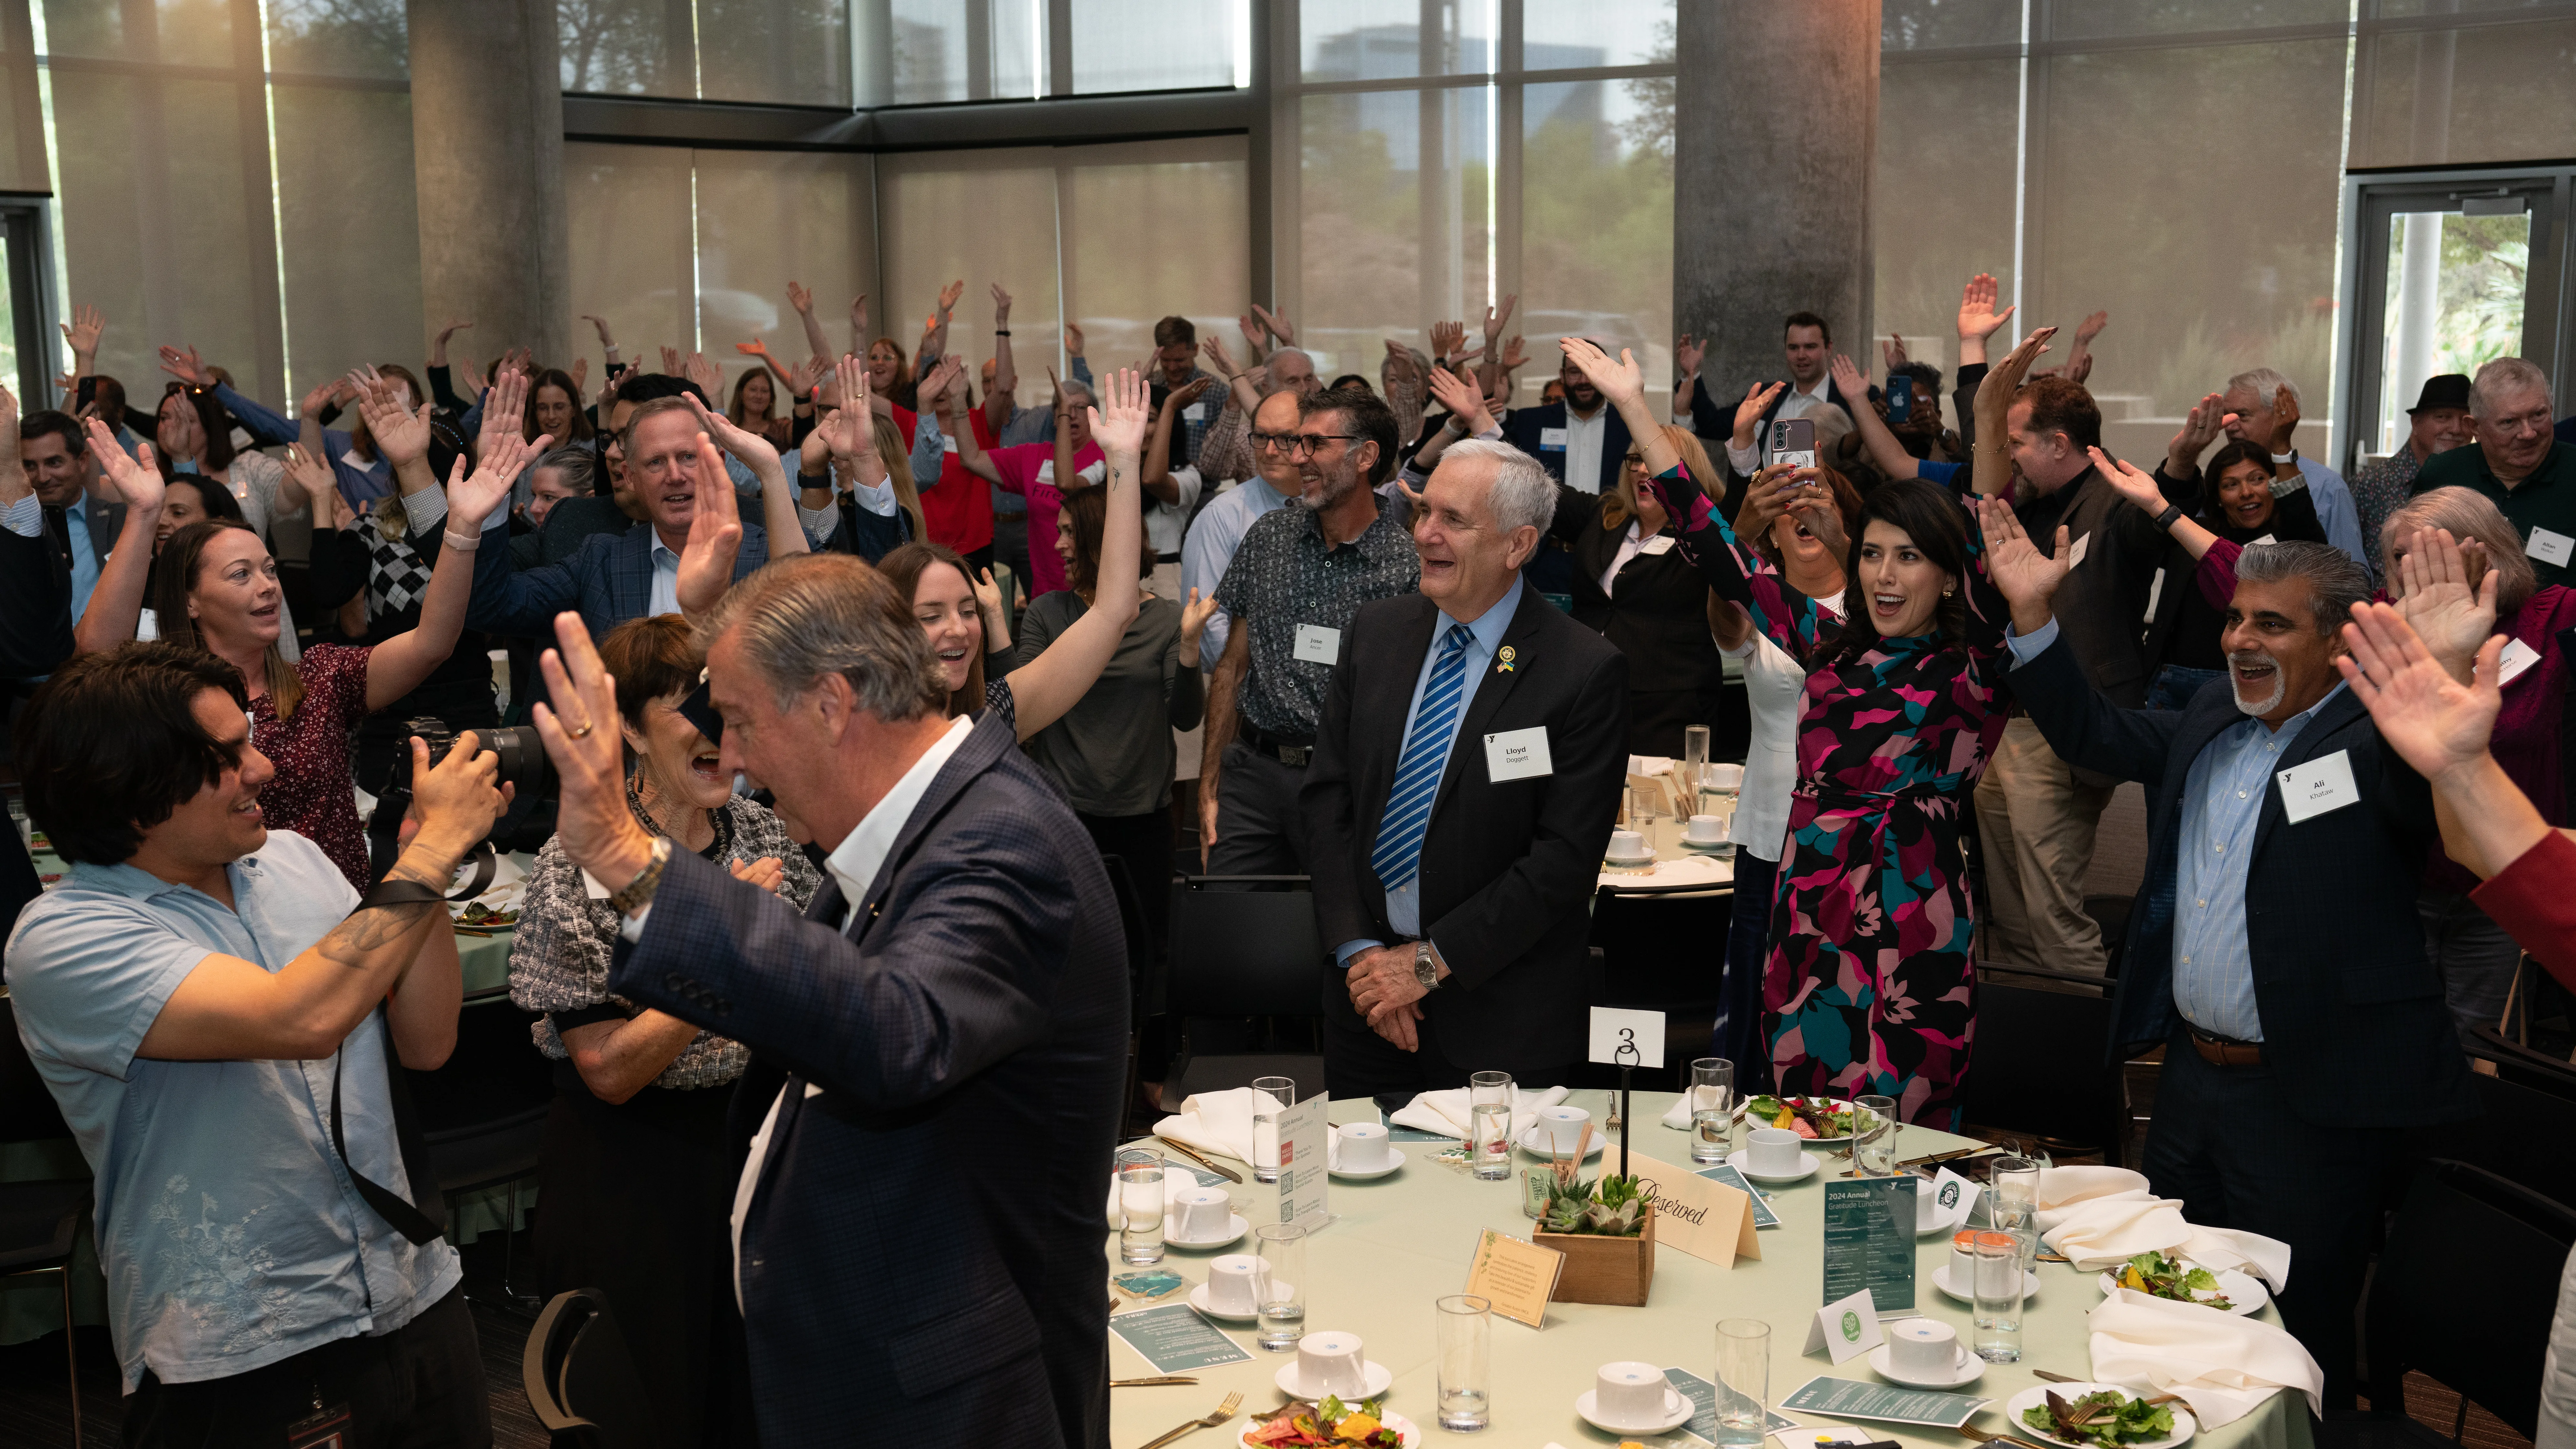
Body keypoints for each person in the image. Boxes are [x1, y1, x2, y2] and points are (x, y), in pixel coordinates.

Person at [521, 549, 1128, 1448]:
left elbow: (893, 1031)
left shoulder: (1001, 840)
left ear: (833, 704)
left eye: (738, 723)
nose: (734, 760)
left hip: (958, 1406)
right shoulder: (918, 827)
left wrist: (629, 858)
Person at [1983, 508, 2477, 1409]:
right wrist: (2033, 621)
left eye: (2272, 624)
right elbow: (2098, 737)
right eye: (2236, 618)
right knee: (2169, 1302)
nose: (2241, 639)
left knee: (2292, 1329)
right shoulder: (2216, 710)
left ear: (2338, 641)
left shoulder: (2380, 741)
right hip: (2188, 1083)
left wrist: (2438, 677)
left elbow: (2433, 796)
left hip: (2310, 1096)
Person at [6, 641, 507, 1443]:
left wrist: (430, 872)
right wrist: (428, 853)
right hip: (243, 1338)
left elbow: (428, 1039)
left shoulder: (297, 861)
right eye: (229, 753)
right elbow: (300, 1017)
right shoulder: (66, 939)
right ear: (133, 791)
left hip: (411, 1283)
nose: (264, 768)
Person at [1572, 336, 2013, 1124]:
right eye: (1872, 553)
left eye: (1909, 558)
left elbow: (1983, 556)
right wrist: (1637, 408)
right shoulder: (1827, 641)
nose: (1883, 574)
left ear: (1942, 574)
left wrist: (1981, 410)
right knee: (1799, 1101)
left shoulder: (1971, 666)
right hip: (1809, 889)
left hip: (1911, 896)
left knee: (1902, 1115)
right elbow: (1717, 547)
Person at [509, 614, 816, 1449]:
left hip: (754, 1151)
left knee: (755, 1402)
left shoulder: (764, 831)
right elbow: (607, 1068)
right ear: (633, 731)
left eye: (730, 707)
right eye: (692, 708)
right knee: (650, 1412)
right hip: (630, 1173)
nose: (720, 731)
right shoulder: (577, 862)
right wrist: (720, 963)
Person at [69, 408, 531, 887]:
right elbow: (94, 657)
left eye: (269, 570)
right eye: (241, 575)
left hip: (337, 922)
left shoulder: (319, 678)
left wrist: (462, 530)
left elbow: (433, 643)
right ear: (190, 601)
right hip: (221, 924)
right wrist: (144, 515)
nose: (269, 587)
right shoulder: (162, 701)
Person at [1303, 438, 1628, 1091]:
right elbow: (1327, 800)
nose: (1424, 533)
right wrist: (1362, 956)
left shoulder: (1581, 671)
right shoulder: (1378, 632)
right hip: (1366, 1008)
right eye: (1424, 512)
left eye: (1453, 520)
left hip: (1502, 1021)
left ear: (1518, 544)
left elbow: (1561, 862)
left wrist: (1425, 965)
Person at [1973, 358, 2177, 981]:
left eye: (2017, 444)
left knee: (2051, 912)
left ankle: (2086, 1058)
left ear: (2058, 444)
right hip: (2011, 724)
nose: (2009, 457)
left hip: (2066, 731)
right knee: (2007, 910)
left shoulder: (2113, 501)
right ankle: (2020, 1037)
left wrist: (2180, 471)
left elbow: (2150, 537)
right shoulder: (2034, 502)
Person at [1417, 361, 1734, 756]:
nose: (1639, 468)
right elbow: (1529, 485)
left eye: (1650, 461)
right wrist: (1481, 419)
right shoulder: (1604, 517)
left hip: (1667, 703)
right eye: (1633, 459)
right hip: (1584, 688)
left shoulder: (1704, 537)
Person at [2373, 506, 2576, 1045]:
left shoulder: (2549, 617)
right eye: (2405, 556)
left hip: (2500, 889)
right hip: (2407, 877)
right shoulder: (2379, 624)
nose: (2425, 567)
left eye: (2445, 550)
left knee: (2479, 1043)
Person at [1201, 383, 1422, 873]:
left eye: (1316, 444)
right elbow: (1232, 667)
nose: (1298, 458)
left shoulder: (1405, 565)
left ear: (1366, 456)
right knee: (1226, 923)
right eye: (1297, 443)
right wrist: (1209, 783)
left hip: (1343, 784)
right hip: (1252, 777)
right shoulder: (1270, 537)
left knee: (1339, 940)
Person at [871, 366, 1156, 746]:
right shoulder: (861, 733)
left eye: (968, 610)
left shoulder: (992, 714)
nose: (958, 628)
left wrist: (1123, 459)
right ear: (889, 628)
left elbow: (1115, 611)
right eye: (931, 615)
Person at [1014, 483, 1215, 955]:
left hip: (1143, 820)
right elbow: (1019, 709)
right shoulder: (1048, 613)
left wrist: (1189, 650)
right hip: (1064, 817)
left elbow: (1185, 720)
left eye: (1069, 533)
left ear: (1100, 541)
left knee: (1146, 952)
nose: (1058, 544)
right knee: (1067, 954)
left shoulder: (1165, 619)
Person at [1712, 461, 1863, 1081]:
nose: (1800, 514)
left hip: (1855, 837)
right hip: (1771, 829)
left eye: (1817, 501)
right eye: (1785, 506)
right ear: (1771, 536)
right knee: (1761, 986)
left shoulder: (1882, 600)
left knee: (1842, 987)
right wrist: (1736, 536)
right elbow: (1725, 629)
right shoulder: (1760, 595)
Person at [463, 392, 806, 640]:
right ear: (629, 477)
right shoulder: (600, 559)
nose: (675, 475)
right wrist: (494, 491)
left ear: (716, 461)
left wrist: (771, 472)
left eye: (688, 456)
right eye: (656, 462)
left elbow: (817, 624)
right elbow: (493, 607)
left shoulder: (766, 552)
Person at [2128, 440, 2328, 710]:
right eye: (2231, 485)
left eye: (2257, 479)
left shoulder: (2294, 545)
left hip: (2248, 678)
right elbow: (2144, 538)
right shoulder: (2193, 534)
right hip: (2171, 680)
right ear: (2218, 497)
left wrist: (2281, 447)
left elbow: (2305, 523)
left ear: (2273, 486)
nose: (2246, 492)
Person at [2408, 358, 2576, 588]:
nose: (2528, 433)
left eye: (2538, 415)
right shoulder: (2442, 475)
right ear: (2475, 427)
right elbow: (2408, 558)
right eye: (2509, 422)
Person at [1179, 385, 1303, 668]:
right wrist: (1258, 685)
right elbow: (1208, 622)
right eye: (1261, 437)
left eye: (1286, 438)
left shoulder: (1327, 507)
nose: (1270, 451)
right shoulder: (1222, 516)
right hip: (1243, 688)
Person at [2196, 367, 2367, 568]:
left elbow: (2354, 575)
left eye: (2242, 416)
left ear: (2281, 415)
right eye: (2228, 417)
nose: (2231, 427)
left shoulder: (2326, 487)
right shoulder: (2219, 480)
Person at [1697, 311, 1857, 477]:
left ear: (1828, 348)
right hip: (1766, 498)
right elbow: (1712, 425)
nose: (1801, 356)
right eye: (1793, 348)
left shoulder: (1854, 399)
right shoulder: (1767, 395)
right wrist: (1692, 376)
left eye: (1810, 347)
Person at [2351, 373, 2472, 555]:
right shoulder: (2371, 485)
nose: (2456, 429)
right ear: (2416, 423)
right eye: (2442, 417)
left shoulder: (2474, 486)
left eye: (2465, 421)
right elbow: (2345, 559)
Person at [153, 380, 291, 539]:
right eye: (164, 418)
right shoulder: (147, 476)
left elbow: (299, 488)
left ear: (210, 428)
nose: (172, 427)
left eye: (187, 420)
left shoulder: (249, 466)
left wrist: (309, 420)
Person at [21, 406, 121, 622]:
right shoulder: (11, 529)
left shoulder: (121, 521)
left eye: (54, 462)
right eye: (29, 466)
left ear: (82, 462)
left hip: (108, 653)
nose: (42, 477)